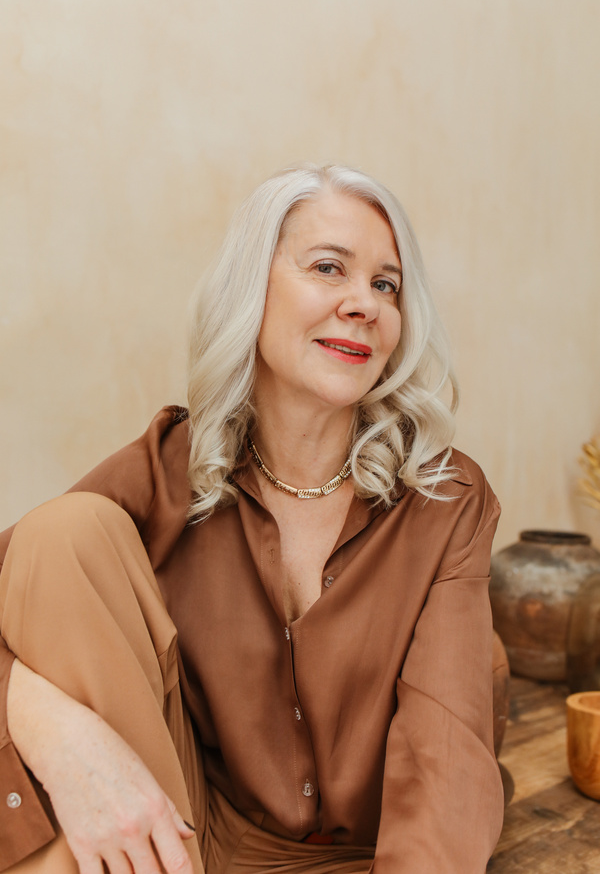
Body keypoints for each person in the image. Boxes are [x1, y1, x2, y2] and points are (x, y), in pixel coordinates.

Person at [0, 163, 504, 874]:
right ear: (251, 289)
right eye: (330, 268)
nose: (364, 303)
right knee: (63, 534)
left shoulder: (445, 499)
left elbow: (444, 758)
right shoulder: (169, 465)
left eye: (386, 284)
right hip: (183, 839)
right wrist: (51, 729)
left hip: (368, 861)